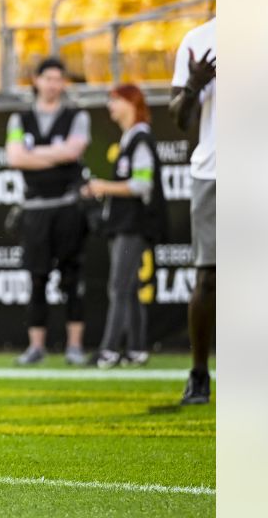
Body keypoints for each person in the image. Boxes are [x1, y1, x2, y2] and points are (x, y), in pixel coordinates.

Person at [6, 57, 91, 367]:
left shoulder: (76, 116)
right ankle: (37, 347)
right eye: (49, 78)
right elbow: (15, 157)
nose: (54, 84)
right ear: (36, 80)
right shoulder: (20, 118)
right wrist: (55, 155)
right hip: (35, 210)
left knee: (72, 278)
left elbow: (74, 151)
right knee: (37, 279)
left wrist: (34, 154)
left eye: (59, 79)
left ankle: (75, 346)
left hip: (68, 207)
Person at [81, 85, 166, 369]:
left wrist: (104, 186)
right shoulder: (131, 137)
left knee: (118, 288)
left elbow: (143, 185)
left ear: (131, 103)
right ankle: (137, 349)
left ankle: (108, 350)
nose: (110, 107)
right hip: (124, 224)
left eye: (114, 101)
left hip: (133, 225)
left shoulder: (139, 138)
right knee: (128, 289)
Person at [171, 13, 216, 404]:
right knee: (209, 278)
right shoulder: (199, 39)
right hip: (214, 170)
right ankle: (199, 373)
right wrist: (192, 86)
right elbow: (180, 119)